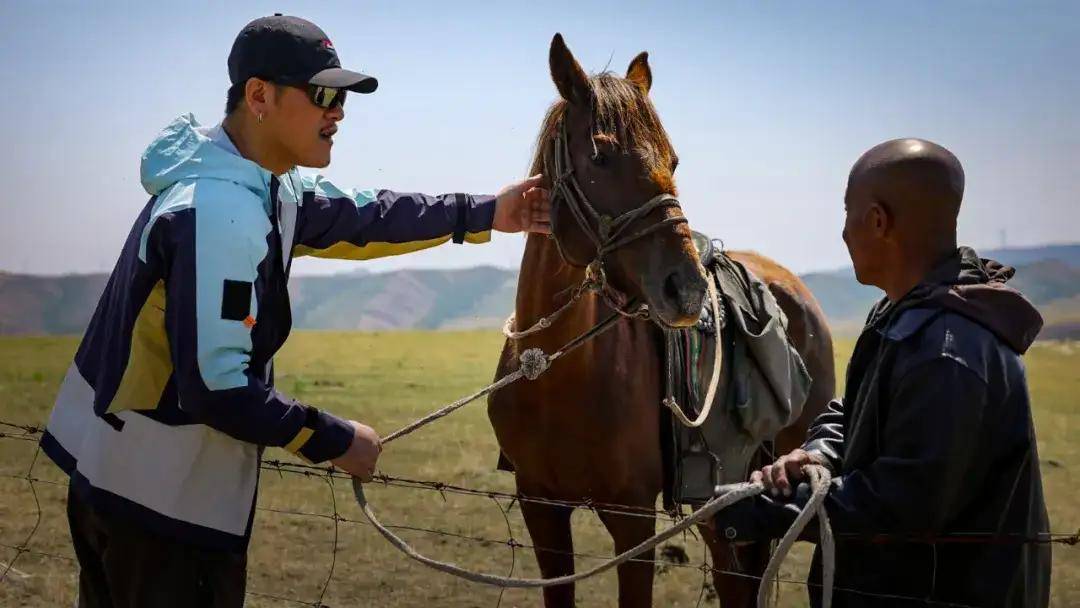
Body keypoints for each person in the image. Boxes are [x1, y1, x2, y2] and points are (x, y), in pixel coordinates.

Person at [40, 14, 550, 607]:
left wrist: (489, 211)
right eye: (323, 95)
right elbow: (216, 387)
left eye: (342, 98)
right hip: (162, 510)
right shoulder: (221, 210)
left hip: (116, 481)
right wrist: (334, 439)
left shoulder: (254, 181)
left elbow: (365, 215)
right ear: (259, 96)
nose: (338, 112)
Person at [711, 138, 1051, 607]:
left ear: (877, 221)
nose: (844, 232)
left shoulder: (946, 353)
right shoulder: (905, 315)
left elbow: (900, 507)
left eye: (848, 213)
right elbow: (857, 412)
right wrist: (815, 455)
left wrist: (761, 510)